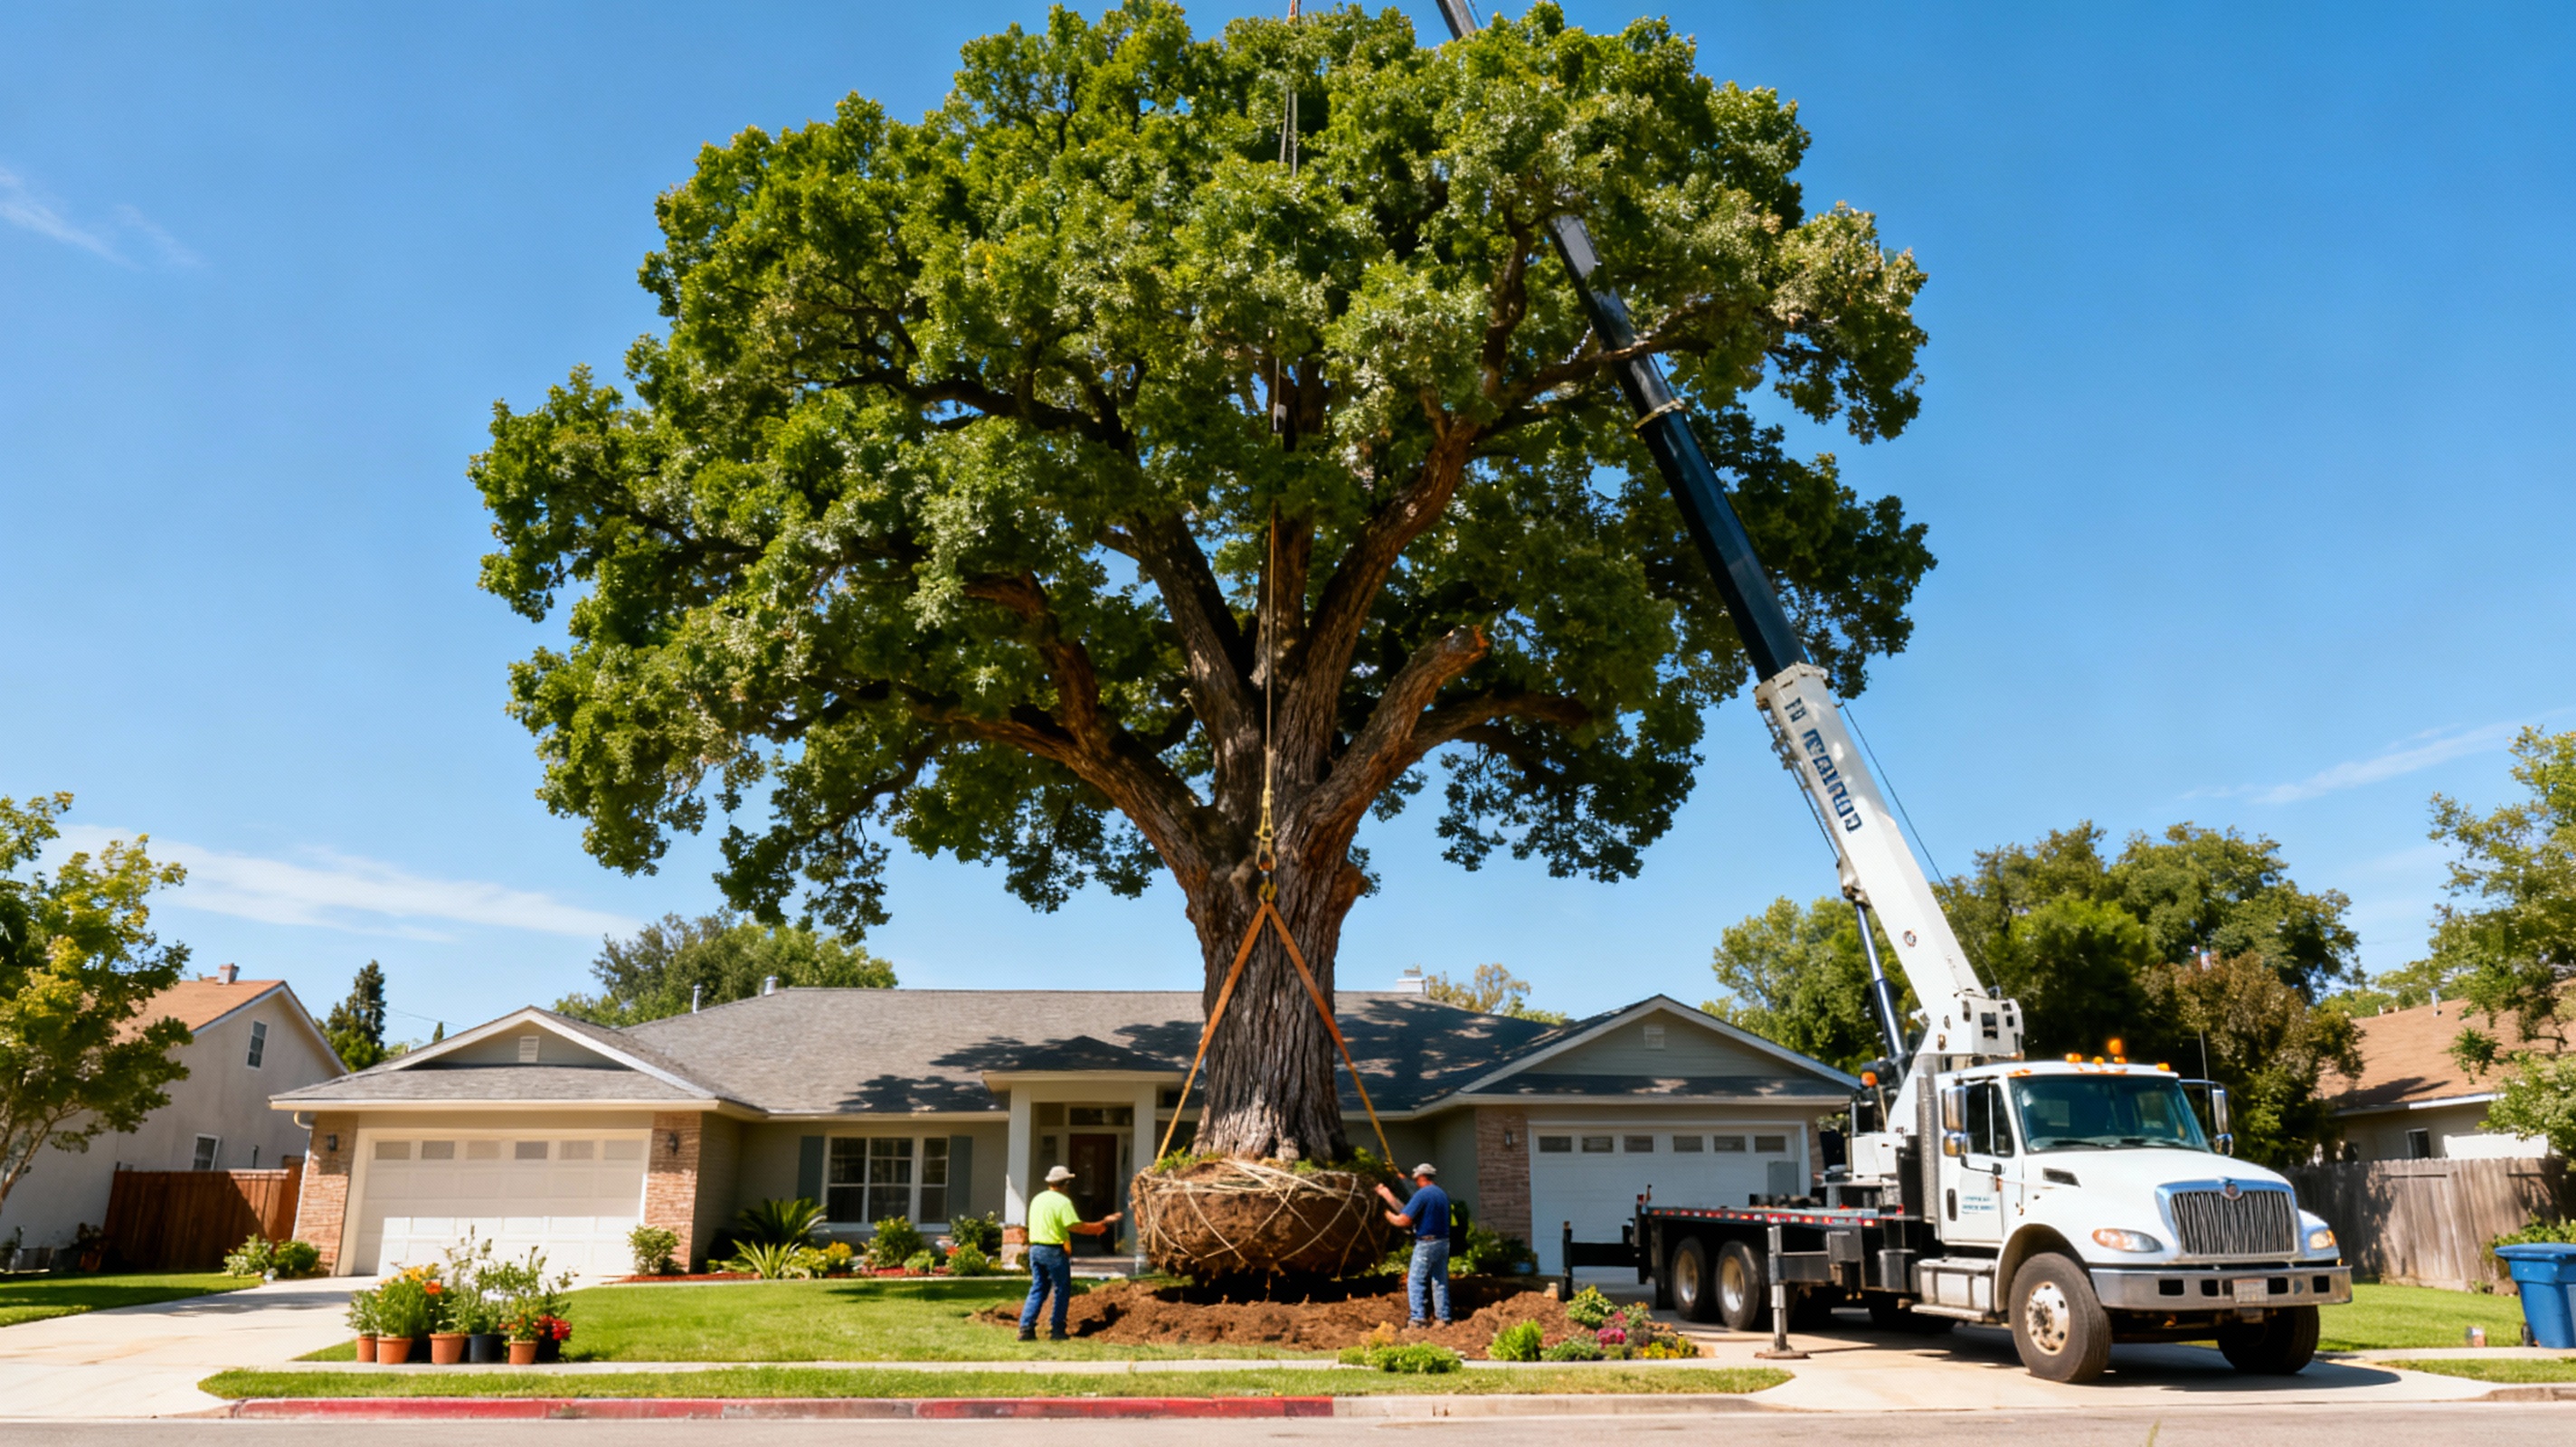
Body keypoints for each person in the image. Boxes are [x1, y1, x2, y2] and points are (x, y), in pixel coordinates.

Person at [1018, 1164, 1122, 1341]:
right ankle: (1057, 1330)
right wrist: (1101, 1225)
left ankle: (1026, 1328)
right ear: (1065, 1184)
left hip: (1035, 1249)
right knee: (1061, 1289)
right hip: (1053, 1250)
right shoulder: (1063, 1202)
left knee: (1038, 1288)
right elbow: (1076, 1226)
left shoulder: (1037, 1199)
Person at [1375, 1162, 1452, 1327]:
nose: (1415, 1181)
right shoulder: (1441, 1194)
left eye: (1416, 1178)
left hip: (1426, 1243)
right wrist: (1387, 1195)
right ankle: (1443, 1318)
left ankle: (1417, 1319)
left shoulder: (1422, 1194)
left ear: (1422, 1177)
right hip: (1443, 1243)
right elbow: (1408, 1212)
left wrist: (1387, 1216)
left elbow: (1404, 1220)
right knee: (1439, 1281)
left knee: (1415, 1280)